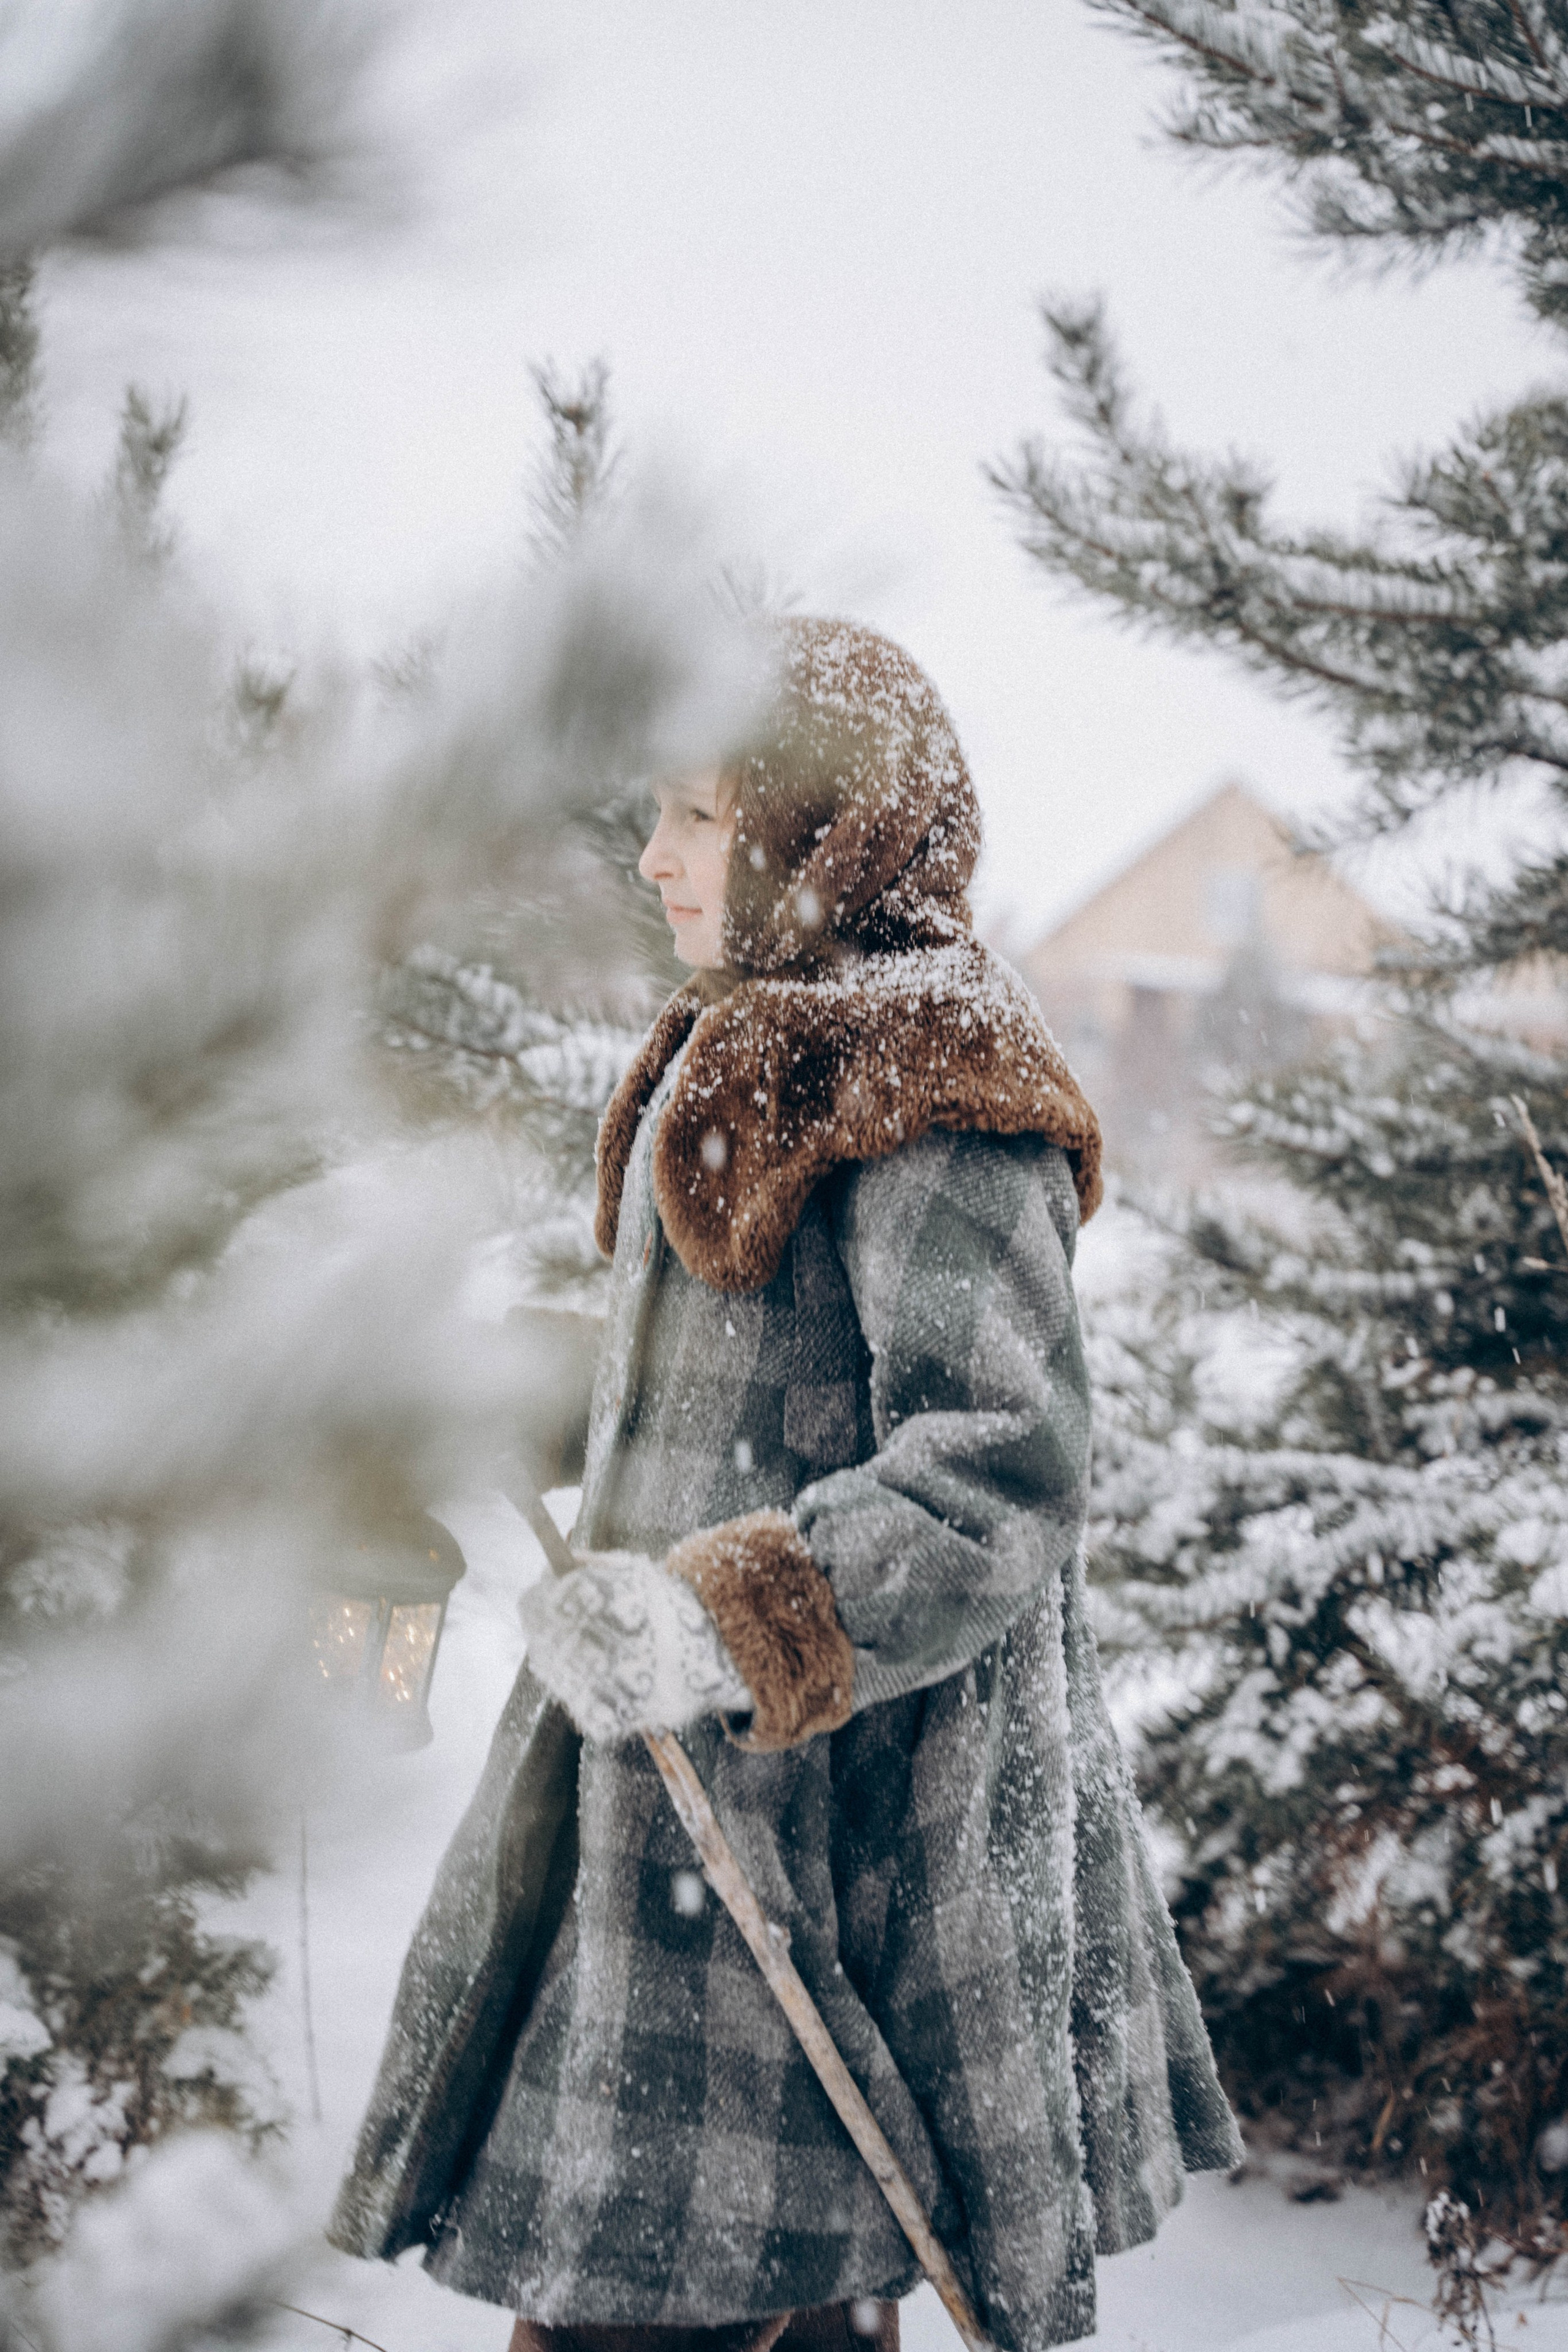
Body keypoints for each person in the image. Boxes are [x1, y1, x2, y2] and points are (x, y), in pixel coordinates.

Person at [329, 619, 1241, 2352]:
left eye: (695, 814)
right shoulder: (741, 1032)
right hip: (674, 1805)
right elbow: (729, 1375)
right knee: (746, 2280)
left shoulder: (930, 1078)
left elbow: (1004, 1466)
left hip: (829, 1821)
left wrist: (724, 1621)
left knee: (714, 2274)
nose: (654, 853)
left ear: (826, 834)